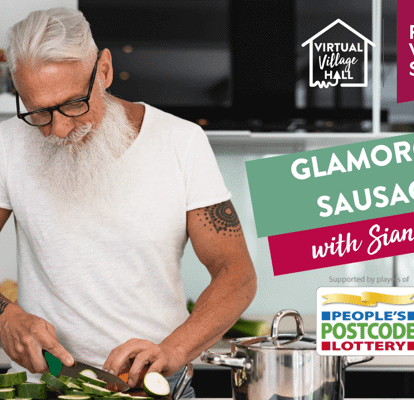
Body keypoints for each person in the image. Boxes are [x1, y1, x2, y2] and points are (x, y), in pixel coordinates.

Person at [0, 7, 257, 397]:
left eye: (73, 104)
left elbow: (235, 274)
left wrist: (173, 350)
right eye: (38, 112)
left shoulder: (180, 142)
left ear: (104, 70)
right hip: (52, 387)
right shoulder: (7, 146)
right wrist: (7, 316)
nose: (58, 129)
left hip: (157, 388)